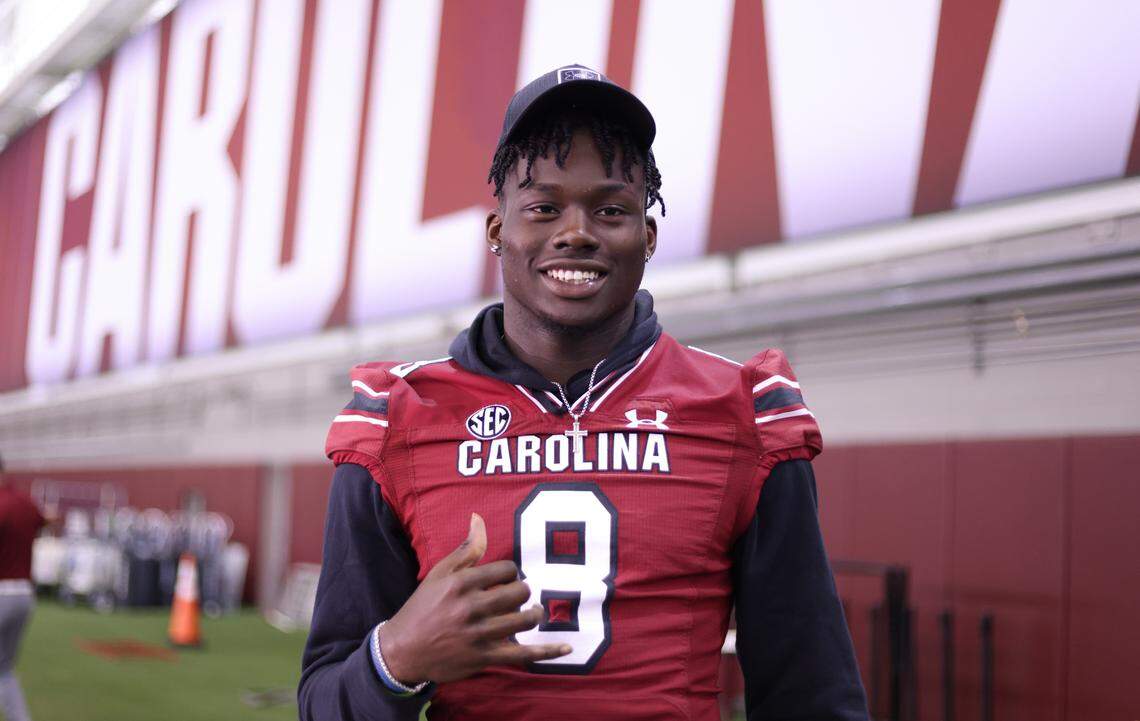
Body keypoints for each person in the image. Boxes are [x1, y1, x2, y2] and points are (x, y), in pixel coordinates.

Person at [299, 64, 869, 720]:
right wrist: (396, 656)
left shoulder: (739, 411)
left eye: (610, 209)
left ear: (647, 237)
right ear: (497, 232)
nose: (577, 231)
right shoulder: (400, 416)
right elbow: (321, 702)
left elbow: (812, 692)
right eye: (544, 206)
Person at [0, 454, 44, 721]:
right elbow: (44, 521)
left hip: (2, 593)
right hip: (24, 596)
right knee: (4, 668)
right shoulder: (25, 502)